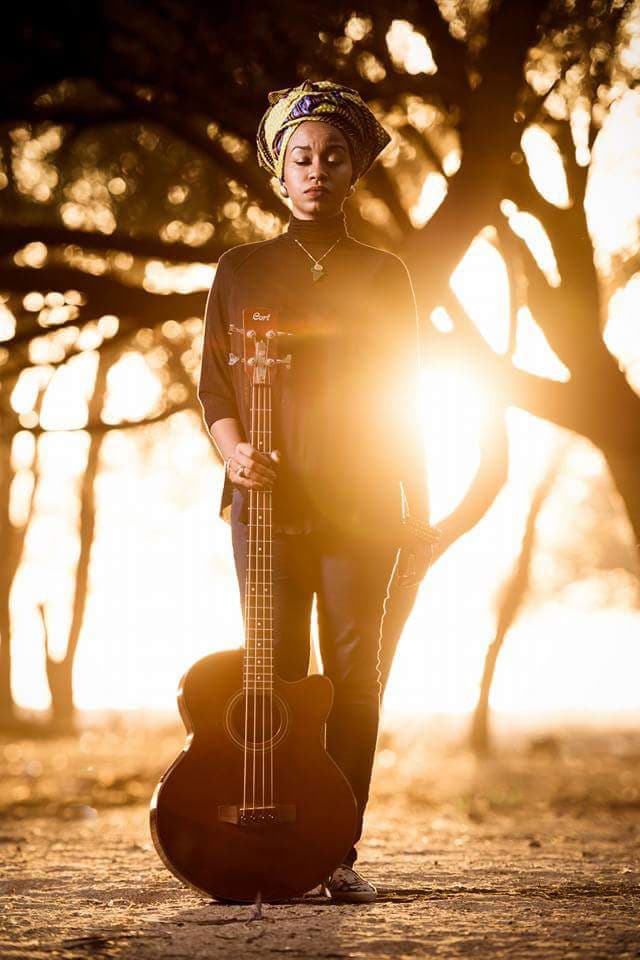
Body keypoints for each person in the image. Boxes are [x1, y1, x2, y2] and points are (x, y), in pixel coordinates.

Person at [197, 78, 440, 903]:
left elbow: (407, 393)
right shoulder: (239, 268)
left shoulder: (386, 273)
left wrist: (417, 506)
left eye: (334, 157)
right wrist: (234, 454)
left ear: (354, 170)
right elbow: (214, 389)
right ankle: (274, 837)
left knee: (350, 676)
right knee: (275, 673)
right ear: (279, 172)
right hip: (265, 506)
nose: (317, 170)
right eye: (301, 157)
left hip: (363, 504)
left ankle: (336, 848)